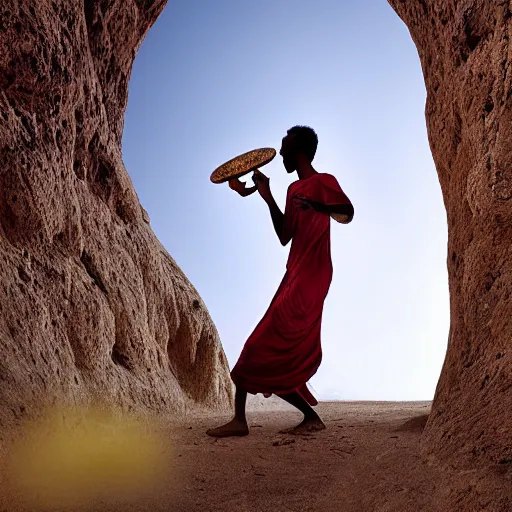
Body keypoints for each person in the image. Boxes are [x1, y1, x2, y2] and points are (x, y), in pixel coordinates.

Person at [207, 126, 354, 437]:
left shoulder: (322, 181)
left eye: (285, 148)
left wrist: (319, 207)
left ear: (299, 149)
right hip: (294, 273)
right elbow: (285, 235)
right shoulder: (292, 189)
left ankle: (247, 421)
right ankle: (247, 420)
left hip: (313, 275)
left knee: (263, 343)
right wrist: (266, 196)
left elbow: (347, 212)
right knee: (266, 344)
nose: (282, 153)